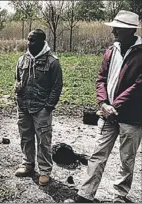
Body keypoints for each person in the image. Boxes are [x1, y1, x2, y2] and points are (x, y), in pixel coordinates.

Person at [67, 10, 142, 203]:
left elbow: (138, 85)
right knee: (97, 154)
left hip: (132, 117)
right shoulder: (111, 50)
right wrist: (103, 102)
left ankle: (120, 196)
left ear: (132, 30)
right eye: (114, 27)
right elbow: (101, 78)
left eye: (119, 28)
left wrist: (113, 105)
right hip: (109, 114)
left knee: (127, 159)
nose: (114, 32)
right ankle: (85, 195)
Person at [14, 29, 63, 186]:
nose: (29, 43)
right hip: (23, 106)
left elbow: (57, 87)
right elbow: (17, 79)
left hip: (42, 108)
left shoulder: (52, 62)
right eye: (28, 39)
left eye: (33, 40)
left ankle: (44, 171)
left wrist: (48, 107)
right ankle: (27, 164)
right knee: (25, 137)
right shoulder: (22, 60)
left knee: (43, 140)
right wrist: (18, 90)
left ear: (43, 42)